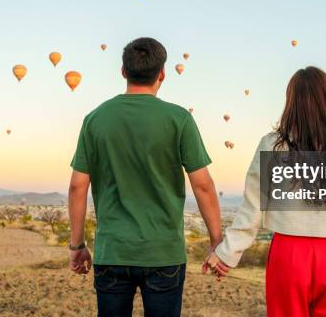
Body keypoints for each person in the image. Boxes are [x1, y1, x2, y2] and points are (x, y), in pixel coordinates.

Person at [205, 66, 326, 317]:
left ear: (291, 101)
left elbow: (252, 205)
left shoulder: (271, 144)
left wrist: (227, 253)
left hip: (287, 256)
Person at [68, 37, 222, 317]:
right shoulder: (179, 119)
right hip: (164, 253)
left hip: (112, 251)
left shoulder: (95, 119)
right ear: (162, 73)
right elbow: (203, 186)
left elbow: (78, 187)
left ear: (123, 71)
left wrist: (77, 245)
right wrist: (216, 240)